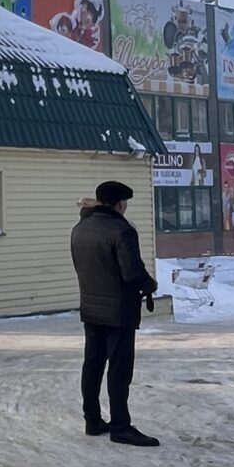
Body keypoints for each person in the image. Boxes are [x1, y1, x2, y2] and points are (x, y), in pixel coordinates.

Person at [71, 180, 160, 447]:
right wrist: (150, 284)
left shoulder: (80, 228)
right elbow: (131, 272)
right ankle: (121, 426)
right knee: (119, 370)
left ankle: (92, 420)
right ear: (120, 203)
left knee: (93, 365)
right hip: (119, 311)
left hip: (91, 307)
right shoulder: (122, 231)